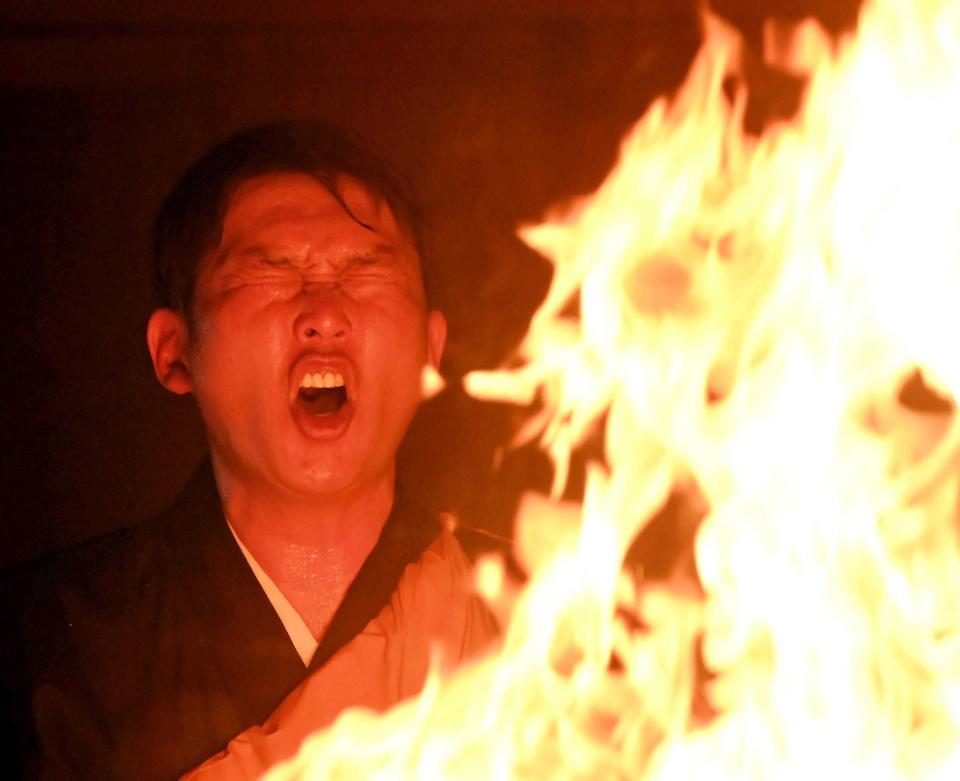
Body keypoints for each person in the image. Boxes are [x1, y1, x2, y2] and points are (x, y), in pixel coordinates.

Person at [1, 121, 497, 780]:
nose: (325, 313)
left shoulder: (555, 610)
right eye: (273, 271)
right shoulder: (45, 652)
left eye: (365, 270)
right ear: (175, 351)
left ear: (431, 351)